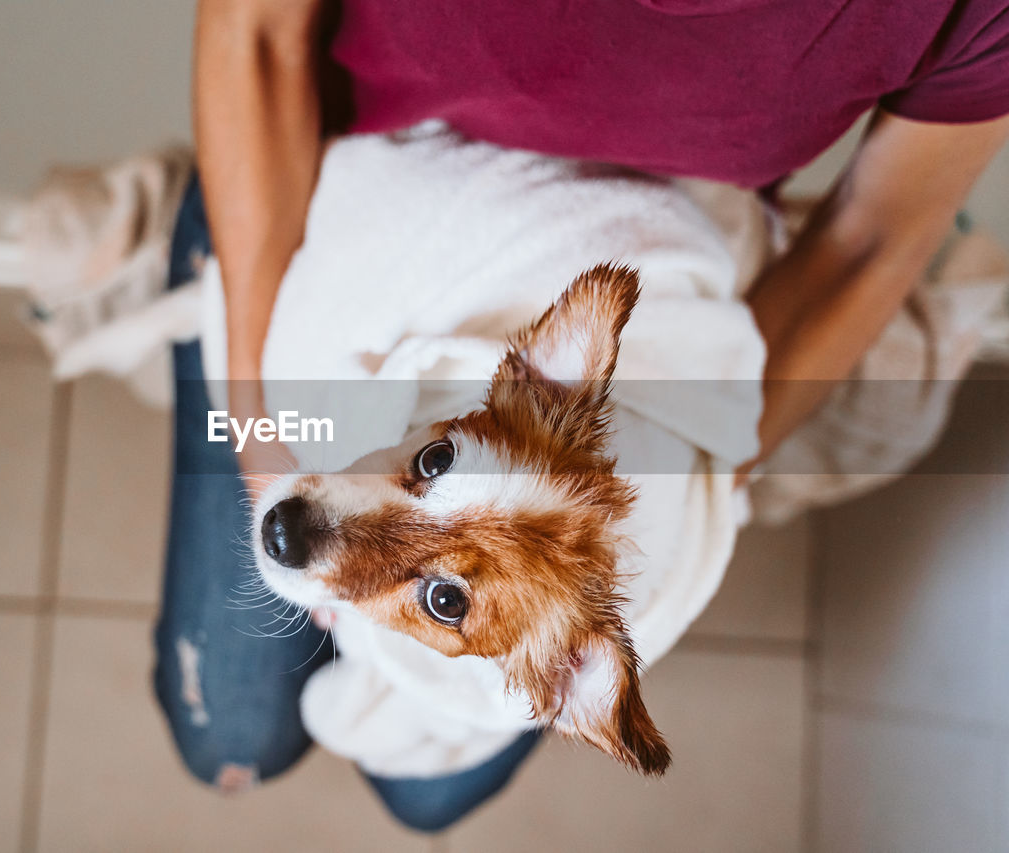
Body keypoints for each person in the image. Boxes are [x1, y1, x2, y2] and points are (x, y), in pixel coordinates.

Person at [154, 0, 1009, 831]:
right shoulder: (480, 382)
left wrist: (704, 473)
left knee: (425, 797)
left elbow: (873, 241)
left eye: (448, 597)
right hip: (335, 199)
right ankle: (205, 284)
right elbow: (253, 29)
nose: (326, 532)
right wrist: (255, 420)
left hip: (664, 242)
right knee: (227, 737)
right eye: (433, 465)